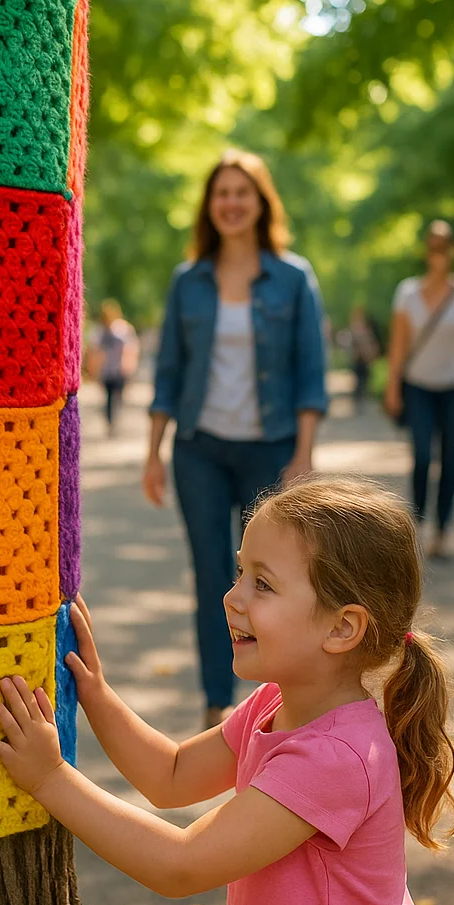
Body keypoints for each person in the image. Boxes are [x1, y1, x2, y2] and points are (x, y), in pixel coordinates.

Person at [0, 477, 454, 905]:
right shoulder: (274, 703)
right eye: (240, 573)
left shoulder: (334, 758)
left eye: (263, 584)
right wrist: (95, 692)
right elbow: (171, 775)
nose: (232, 597)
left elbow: (180, 865)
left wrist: (49, 779)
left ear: (342, 627)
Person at [145, 149, 329, 729]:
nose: (231, 203)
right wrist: (152, 451)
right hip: (199, 447)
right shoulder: (188, 282)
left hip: (270, 449)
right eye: (221, 193)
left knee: (273, 583)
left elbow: (310, 372)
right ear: (209, 206)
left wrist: (302, 454)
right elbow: (169, 373)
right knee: (210, 577)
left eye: (241, 193)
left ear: (260, 203)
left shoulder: (294, 278)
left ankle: (274, 704)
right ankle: (216, 700)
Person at [383, 221, 454, 557]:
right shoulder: (407, 293)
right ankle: (416, 527)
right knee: (422, 456)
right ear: (425, 251)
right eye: (432, 246)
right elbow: (399, 345)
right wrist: (392, 387)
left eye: (443, 246)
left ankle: (442, 532)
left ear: (452, 251)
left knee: (450, 458)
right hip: (418, 385)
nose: (438, 253)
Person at [93, 298, 141, 436]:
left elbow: (131, 348)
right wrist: (95, 369)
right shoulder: (100, 331)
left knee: (118, 396)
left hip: (120, 370)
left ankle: (115, 420)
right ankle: (110, 422)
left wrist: (129, 364)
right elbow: (96, 351)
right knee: (108, 398)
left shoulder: (123, 329)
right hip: (107, 370)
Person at [345, 304, 383, 414]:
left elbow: (372, 344)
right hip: (357, 360)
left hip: (365, 359)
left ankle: (362, 399)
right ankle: (359, 400)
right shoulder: (353, 330)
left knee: (364, 379)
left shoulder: (366, 330)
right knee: (359, 380)